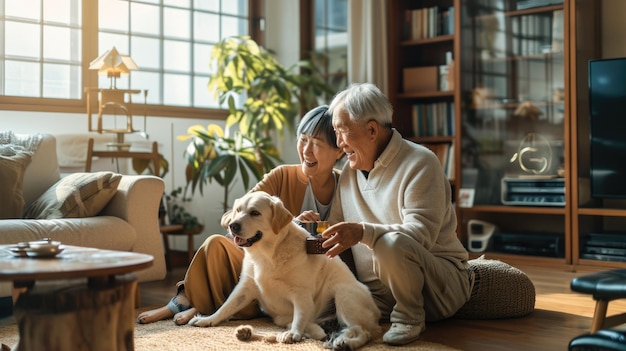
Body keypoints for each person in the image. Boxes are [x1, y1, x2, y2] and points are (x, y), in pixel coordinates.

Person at [137, 105, 344, 325]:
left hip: (306, 279)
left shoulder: (347, 185)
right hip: (264, 262)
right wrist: (288, 223)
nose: (306, 150)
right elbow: (230, 217)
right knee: (215, 245)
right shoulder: (282, 176)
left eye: (317, 144)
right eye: (303, 140)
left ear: (339, 149)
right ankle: (182, 302)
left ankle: (202, 307)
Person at [320, 83, 471, 346]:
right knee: (314, 310)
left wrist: (364, 233)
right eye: (335, 133)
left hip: (436, 289)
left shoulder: (421, 163)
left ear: (371, 130)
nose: (339, 143)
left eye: (342, 132)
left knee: (390, 242)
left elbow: (419, 234)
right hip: (377, 296)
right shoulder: (348, 172)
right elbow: (337, 231)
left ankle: (410, 318)